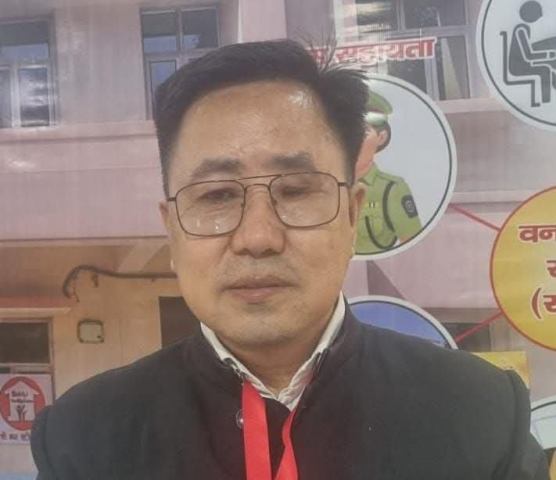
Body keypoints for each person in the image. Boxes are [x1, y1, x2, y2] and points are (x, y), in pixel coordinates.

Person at [30, 40, 549, 480]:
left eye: (297, 190)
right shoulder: (83, 438)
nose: (257, 237)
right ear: (172, 229)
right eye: (216, 196)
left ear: (352, 214)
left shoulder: (479, 412)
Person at [354, 91, 422, 254]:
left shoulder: (392, 189)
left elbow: (412, 247)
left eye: (362, 133)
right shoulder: (326, 186)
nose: (353, 140)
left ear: (381, 138)